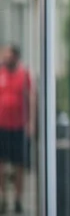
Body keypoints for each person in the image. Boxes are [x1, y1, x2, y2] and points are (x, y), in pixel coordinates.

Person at [0, 45, 35, 214]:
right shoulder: (0, 73)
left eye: (7, 55)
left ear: (15, 56)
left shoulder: (24, 74)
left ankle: (18, 199)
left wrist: (31, 122)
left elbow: (31, 99)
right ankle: (3, 198)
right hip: (2, 126)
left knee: (19, 165)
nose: (4, 58)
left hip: (19, 127)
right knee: (1, 163)